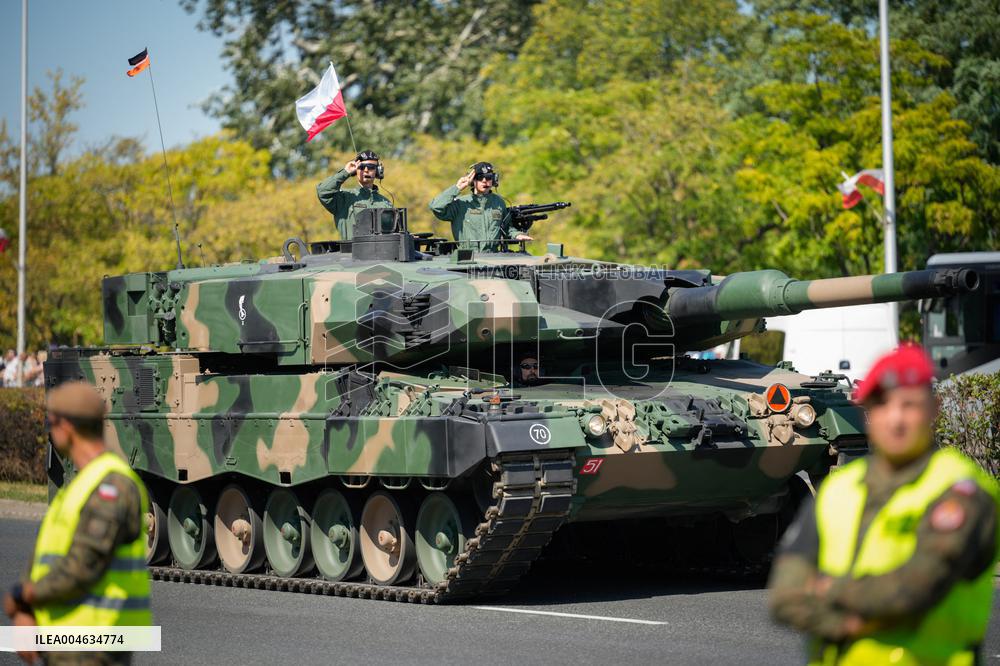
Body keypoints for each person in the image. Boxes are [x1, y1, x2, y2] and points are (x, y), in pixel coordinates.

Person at [768, 344, 999, 665]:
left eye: (909, 405)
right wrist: (848, 621)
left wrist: (826, 591)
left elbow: (914, 590)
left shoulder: (960, 491)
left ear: (934, 408)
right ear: (867, 411)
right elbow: (784, 595)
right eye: (882, 404)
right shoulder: (841, 489)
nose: (895, 419)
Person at [3, 381, 152, 665]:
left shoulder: (112, 486)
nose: (48, 429)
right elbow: (47, 555)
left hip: (95, 646)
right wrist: (26, 611)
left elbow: (83, 566)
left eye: (50, 421)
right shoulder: (82, 484)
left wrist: (24, 596)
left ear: (67, 427)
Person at [429, 162, 531, 251]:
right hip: (468, 259)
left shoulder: (498, 202)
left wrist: (517, 235)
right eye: (479, 177)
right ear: (473, 180)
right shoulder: (461, 204)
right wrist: (457, 188)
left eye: (488, 177)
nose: (484, 180)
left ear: (494, 179)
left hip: (493, 257)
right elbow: (436, 207)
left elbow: (507, 227)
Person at [316, 150, 393, 241]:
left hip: (381, 253)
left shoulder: (385, 203)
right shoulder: (343, 199)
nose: (366, 170)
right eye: (361, 167)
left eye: (371, 167)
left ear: (378, 171)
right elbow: (323, 191)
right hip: (351, 253)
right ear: (356, 170)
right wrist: (345, 172)